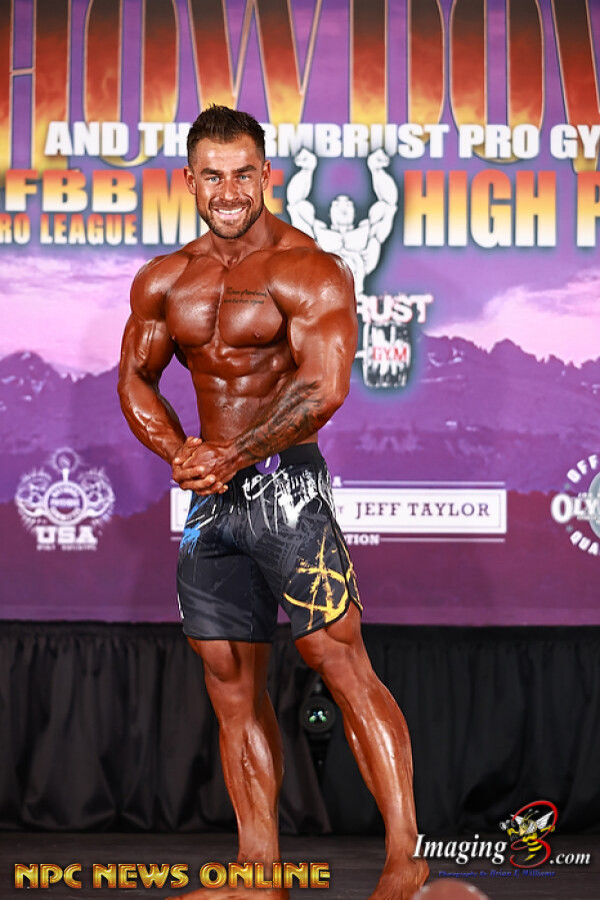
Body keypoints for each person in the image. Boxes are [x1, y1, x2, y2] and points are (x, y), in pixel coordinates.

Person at [118, 105, 428, 900]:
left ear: (268, 175)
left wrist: (234, 452)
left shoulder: (309, 268)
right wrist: (178, 451)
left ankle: (405, 858)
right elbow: (136, 379)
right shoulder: (164, 279)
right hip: (211, 501)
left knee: (338, 660)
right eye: (212, 175)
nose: (229, 191)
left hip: (286, 486)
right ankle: (260, 872)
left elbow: (324, 387)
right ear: (190, 181)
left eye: (243, 173)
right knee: (229, 681)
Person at [286, 147, 398, 298]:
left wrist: (377, 170)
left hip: (358, 298)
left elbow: (388, 205)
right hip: (325, 297)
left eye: (348, 204)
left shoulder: (367, 233)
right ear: (330, 212)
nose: (342, 207)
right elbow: (296, 206)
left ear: (354, 212)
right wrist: (307, 170)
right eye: (337, 204)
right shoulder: (317, 234)